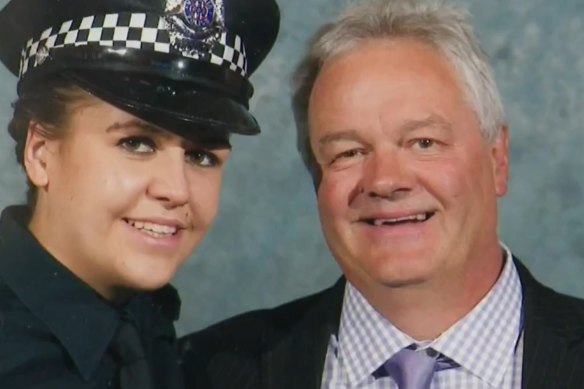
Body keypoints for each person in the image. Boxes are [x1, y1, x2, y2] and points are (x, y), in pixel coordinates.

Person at [179, 0, 584, 388]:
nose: (386, 181)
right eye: (348, 152)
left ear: (497, 160)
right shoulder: (195, 374)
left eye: (424, 142)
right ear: (317, 179)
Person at [0, 0, 279, 388]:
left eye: (201, 155)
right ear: (41, 153)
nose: (176, 190)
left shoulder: (146, 327)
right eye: (136, 143)